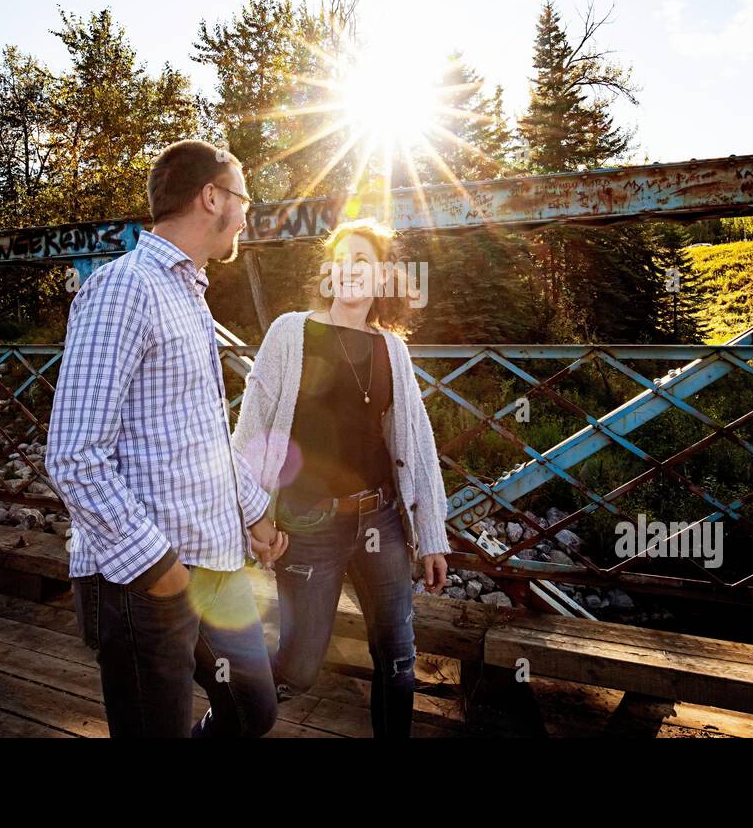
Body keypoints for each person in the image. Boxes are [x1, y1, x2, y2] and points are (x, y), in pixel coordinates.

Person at [46, 139, 287, 738]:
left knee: (253, 707)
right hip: (144, 579)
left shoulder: (189, 295)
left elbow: (201, 436)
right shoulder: (124, 289)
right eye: (244, 197)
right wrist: (160, 568)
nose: (249, 212)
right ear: (211, 197)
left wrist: (253, 514)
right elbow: (74, 455)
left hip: (213, 562)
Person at [231, 217, 451, 737]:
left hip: (382, 520)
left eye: (364, 262)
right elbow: (251, 431)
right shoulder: (291, 332)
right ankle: (227, 720)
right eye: (342, 260)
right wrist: (250, 516)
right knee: (300, 665)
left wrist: (432, 536)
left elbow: (416, 444)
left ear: (382, 278)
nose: (351, 271)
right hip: (307, 525)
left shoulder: (391, 349)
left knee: (398, 656)